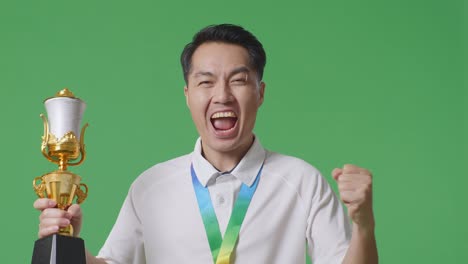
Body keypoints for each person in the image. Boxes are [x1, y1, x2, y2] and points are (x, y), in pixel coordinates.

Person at [34, 24, 378, 264]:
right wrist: (66, 243)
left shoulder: (302, 180)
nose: (222, 95)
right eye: (206, 82)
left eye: (239, 80)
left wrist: (364, 224)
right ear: (187, 95)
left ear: (260, 93)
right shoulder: (150, 186)